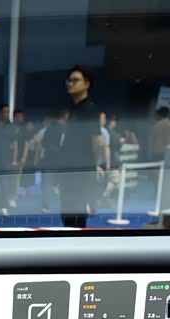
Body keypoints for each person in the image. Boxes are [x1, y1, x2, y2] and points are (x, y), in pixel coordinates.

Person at [59, 66, 103, 228]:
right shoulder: (74, 109)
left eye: (75, 80)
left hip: (80, 170)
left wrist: (93, 165)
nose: (70, 83)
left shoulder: (89, 109)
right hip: (70, 168)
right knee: (69, 210)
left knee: (75, 211)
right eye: (69, 80)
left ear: (87, 84)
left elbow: (97, 141)